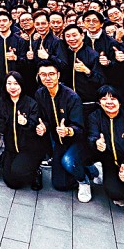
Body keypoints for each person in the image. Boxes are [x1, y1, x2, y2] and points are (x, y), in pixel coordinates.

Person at [87, 86, 124, 220]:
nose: (109, 102)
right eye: (104, 99)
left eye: (113, 98)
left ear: (120, 102)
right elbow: (92, 135)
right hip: (111, 162)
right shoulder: (95, 117)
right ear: (99, 102)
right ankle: (122, 189)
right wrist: (96, 142)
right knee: (115, 194)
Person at [35, 61, 94, 200]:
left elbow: (80, 128)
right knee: (59, 184)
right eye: (43, 75)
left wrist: (68, 131)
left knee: (68, 161)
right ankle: (89, 169)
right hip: (58, 140)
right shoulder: (40, 94)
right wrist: (43, 126)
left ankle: (83, 180)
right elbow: (44, 119)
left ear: (58, 75)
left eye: (51, 74)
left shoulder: (71, 97)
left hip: (77, 140)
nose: (47, 78)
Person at [0, 71, 45, 190]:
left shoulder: (31, 103)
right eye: (9, 83)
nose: (12, 87)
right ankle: (6, 159)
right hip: (11, 148)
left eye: (16, 83)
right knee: (12, 183)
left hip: (29, 149)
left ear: (21, 85)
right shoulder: (1, 102)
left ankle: (36, 171)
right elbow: (0, 128)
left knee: (18, 172)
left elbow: (35, 128)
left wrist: (26, 123)